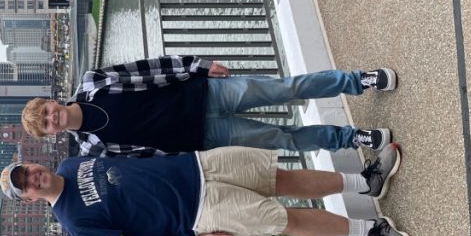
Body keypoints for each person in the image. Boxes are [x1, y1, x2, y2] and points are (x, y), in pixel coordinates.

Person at [0, 143, 413, 236]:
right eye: (26, 185)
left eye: (27, 170)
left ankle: (366, 180)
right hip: (198, 212)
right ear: (30, 200)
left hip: (196, 164)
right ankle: (372, 230)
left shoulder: (73, 162)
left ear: (32, 162)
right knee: (282, 218)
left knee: (279, 177)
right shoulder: (74, 223)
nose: (33, 177)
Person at [21, 55, 397, 155]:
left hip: (204, 94)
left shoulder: (93, 83)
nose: (52, 117)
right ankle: (352, 138)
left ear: (52, 101)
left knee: (286, 88)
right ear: (53, 134)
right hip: (206, 135)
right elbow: (151, 159)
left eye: (47, 111)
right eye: (48, 124)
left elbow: (151, 69)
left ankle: (356, 81)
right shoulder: (93, 149)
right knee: (284, 140)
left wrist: (197, 66)